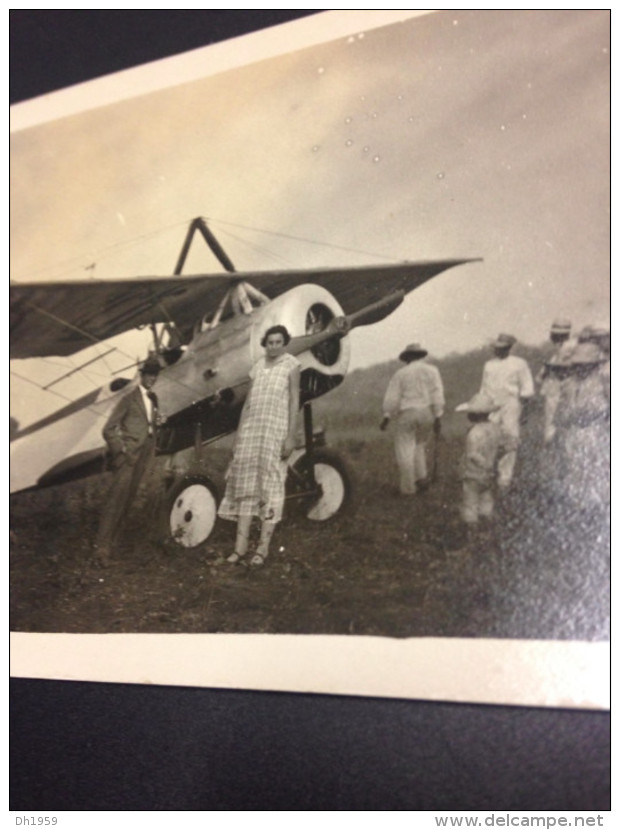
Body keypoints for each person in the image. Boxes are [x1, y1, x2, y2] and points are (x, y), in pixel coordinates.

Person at [218, 324, 301, 567]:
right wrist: (239, 436)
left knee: (271, 486)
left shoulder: (291, 365)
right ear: (265, 344)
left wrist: (290, 436)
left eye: (278, 342)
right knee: (244, 486)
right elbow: (247, 405)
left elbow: (294, 400)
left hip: (275, 432)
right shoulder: (257, 368)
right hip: (251, 433)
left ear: (284, 343)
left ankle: (262, 549)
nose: (273, 346)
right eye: (270, 342)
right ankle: (240, 548)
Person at [94, 354, 161, 565]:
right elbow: (109, 429)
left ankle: (112, 545)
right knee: (116, 501)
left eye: (155, 375)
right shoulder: (128, 398)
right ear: (142, 376)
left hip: (144, 454)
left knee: (129, 499)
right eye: (149, 374)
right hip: (128, 455)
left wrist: (158, 422)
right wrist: (121, 452)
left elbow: (148, 424)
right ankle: (101, 550)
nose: (151, 379)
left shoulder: (154, 398)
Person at [380, 342, 444, 495]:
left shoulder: (401, 374)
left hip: (408, 412)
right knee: (419, 445)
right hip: (426, 412)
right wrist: (438, 415)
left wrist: (387, 416)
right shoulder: (432, 371)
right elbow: (437, 394)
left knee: (405, 450)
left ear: (407, 358)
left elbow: (392, 398)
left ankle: (408, 488)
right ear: (421, 356)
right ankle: (421, 478)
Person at [554, 341, 610, 513]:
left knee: (597, 465)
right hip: (574, 429)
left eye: (586, 365)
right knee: (574, 465)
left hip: (595, 428)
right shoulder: (568, 384)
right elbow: (561, 409)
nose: (582, 369)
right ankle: (577, 504)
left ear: (594, 365)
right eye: (579, 365)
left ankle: (600, 504)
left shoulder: (604, 382)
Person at [480, 333, 534, 492]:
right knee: (488, 437)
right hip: (491, 404)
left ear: (509, 348)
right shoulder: (489, 365)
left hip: (511, 403)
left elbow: (526, 387)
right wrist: (482, 405)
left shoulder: (519, 363)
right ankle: (487, 473)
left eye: (503, 348)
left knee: (510, 438)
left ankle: (505, 478)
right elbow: (484, 387)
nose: (499, 351)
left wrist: (525, 409)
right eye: (497, 348)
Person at [455, 392, 502, 535]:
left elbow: (472, 453)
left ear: (473, 415)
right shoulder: (495, 428)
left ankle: (471, 526)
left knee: (470, 499)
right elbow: (500, 446)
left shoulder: (474, 433)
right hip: (490, 472)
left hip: (474, 473)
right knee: (486, 496)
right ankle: (487, 520)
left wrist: (483, 463)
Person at [537, 318, 575, 443]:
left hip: (564, 382)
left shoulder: (569, 346)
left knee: (558, 415)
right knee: (553, 415)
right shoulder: (558, 348)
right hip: (556, 383)